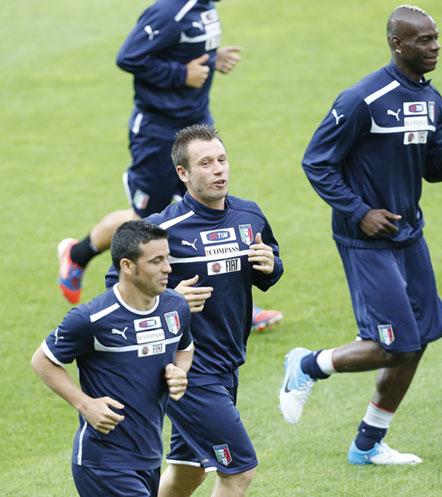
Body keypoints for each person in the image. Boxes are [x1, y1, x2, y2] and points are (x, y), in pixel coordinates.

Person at [279, 5, 442, 466]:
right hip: (365, 240)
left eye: (436, 38)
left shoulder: (431, 100)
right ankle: (307, 365)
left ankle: (368, 445)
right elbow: (316, 162)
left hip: (409, 236)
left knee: (418, 340)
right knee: (395, 344)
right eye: (424, 40)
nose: (435, 47)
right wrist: (360, 212)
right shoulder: (362, 99)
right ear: (397, 44)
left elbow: (432, 170)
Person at [56, 0, 282, 332]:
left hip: (195, 125)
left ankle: (232, 304)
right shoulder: (169, 11)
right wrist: (182, 74)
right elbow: (129, 57)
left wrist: (212, 60)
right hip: (157, 132)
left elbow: (182, 49)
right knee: (150, 223)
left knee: (206, 211)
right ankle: (80, 258)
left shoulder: (205, 7)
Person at [105, 124, 284, 496]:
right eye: (205, 163)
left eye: (222, 159)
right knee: (239, 471)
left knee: (188, 471)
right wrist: (170, 298)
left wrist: (271, 265)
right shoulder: (160, 229)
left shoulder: (249, 216)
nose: (219, 169)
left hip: (227, 360)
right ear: (183, 174)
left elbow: (268, 269)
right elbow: (115, 287)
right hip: (186, 370)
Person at [32, 221, 194, 496]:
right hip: (103, 462)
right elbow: (43, 360)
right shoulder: (91, 319)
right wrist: (84, 404)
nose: (167, 267)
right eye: (156, 261)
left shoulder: (175, 306)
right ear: (128, 266)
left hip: (149, 455)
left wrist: (180, 372)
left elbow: (185, 347)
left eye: (167, 258)